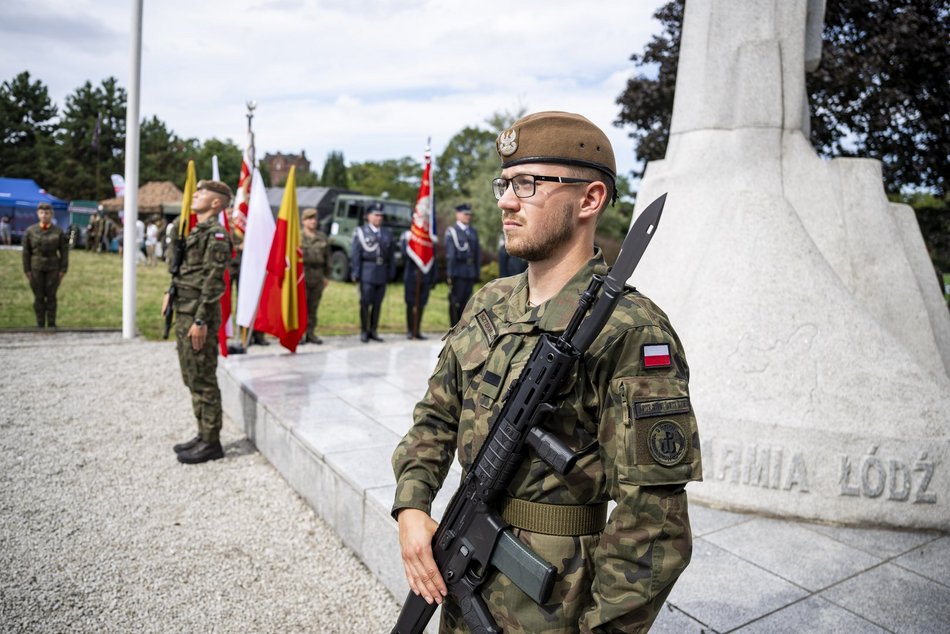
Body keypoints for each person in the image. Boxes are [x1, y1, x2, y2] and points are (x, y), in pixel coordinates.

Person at [391, 111, 702, 633]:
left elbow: (654, 523)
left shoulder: (631, 330)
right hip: (462, 564)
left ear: (589, 200)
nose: (507, 202)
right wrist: (412, 504)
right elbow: (435, 416)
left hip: (555, 599)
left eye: (528, 184)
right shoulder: (490, 301)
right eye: (506, 184)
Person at [165, 180, 234, 465]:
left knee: (204, 378)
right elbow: (185, 270)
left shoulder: (217, 235)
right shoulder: (194, 230)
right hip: (184, 309)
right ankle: (202, 433)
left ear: (216, 203)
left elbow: (214, 280)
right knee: (192, 375)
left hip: (197, 314)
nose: (194, 195)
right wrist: (171, 292)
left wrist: (201, 319)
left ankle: (211, 442)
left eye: (201, 192)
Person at [350, 202, 395, 343]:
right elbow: (355, 254)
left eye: (381, 215)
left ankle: (373, 330)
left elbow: (391, 256)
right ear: (368, 216)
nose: (379, 218)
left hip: (382, 272)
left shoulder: (387, 233)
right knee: (365, 303)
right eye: (376, 215)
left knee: (377, 304)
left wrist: (391, 272)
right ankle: (364, 330)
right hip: (367, 272)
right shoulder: (361, 232)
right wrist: (355, 272)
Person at [22, 202, 68, 328]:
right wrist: (27, 270)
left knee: (51, 296)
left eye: (47, 213)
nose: (44, 216)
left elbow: (64, 251)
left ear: (51, 214)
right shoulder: (30, 231)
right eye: (41, 213)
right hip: (36, 268)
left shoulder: (58, 231)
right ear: (38, 214)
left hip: (53, 268)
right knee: (39, 297)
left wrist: (63, 270)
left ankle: (52, 324)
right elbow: (26, 252)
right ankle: (40, 324)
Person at [444, 203, 480, 326]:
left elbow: (477, 254)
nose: (468, 217)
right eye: (465, 214)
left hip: (469, 272)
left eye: (469, 214)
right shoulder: (452, 232)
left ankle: (463, 327)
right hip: (457, 272)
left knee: (467, 302)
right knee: (455, 302)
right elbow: (451, 256)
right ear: (458, 214)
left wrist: (476, 272)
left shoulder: (473, 231)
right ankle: (454, 327)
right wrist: (450, 274)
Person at [400, 229, 437, 339]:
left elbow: (433, 258)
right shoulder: (408, 235)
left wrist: (434, 277)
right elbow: (403, 255)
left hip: (425, 275)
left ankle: (417, 330)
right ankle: (410, 330)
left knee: (422, 303)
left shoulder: (429, 236)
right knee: (410, 303)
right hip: (412, 275)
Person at [301, 207, 331, 344]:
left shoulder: (322, 237)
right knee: (301, 306)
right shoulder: (298, 236)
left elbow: (328, 258)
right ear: (303, 221)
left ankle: (310, 333)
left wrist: (326, 276)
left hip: (318, 275)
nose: (313, 221)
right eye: (309, 218)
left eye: (314, 218)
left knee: (313, 307)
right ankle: (300, 333)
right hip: (302, 275)